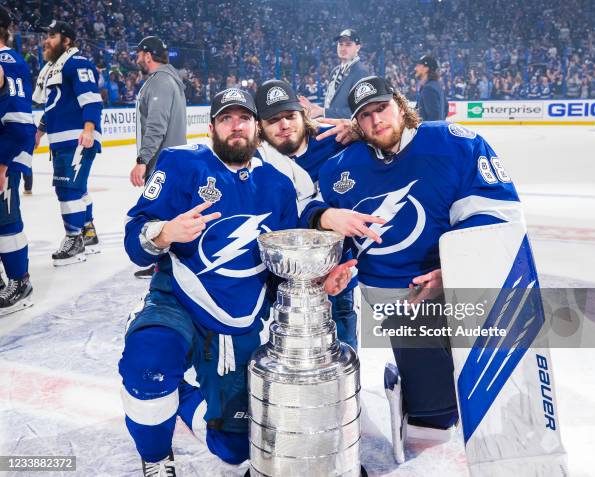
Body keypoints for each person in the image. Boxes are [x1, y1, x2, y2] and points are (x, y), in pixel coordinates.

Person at [120, 88, 354, 475]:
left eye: (243, 118)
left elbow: (282, 266)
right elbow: (135, 240)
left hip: (241, 321)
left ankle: (177, 395)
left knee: (235, 449)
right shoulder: (180, 164)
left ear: (256, 129)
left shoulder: (278, 184)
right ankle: (157, 457)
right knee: (149, 364)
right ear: (211, 127)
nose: (235, 127)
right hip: (178, 300)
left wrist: (320, 282)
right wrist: (164, 233)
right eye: (226, 119)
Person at [304, 76, 524, 452]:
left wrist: (454, 270)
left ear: (400, 105)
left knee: (473, 384)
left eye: (382, 109)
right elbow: (309, 209)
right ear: (356, 123)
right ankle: (423, 402)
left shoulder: (455, 144)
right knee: (434, 420)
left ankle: (411, 386)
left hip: (456, 283)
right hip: (393, 294)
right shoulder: (340, 167)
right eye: (365, 115)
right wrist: (327, 225)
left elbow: (497, 215)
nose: (376, 121)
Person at [255, 79, 380, 350]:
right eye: (274, 120)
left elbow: (390, 146)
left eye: (290, 115)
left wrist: (360, 130)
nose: (285, 124)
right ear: (260, 128)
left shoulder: (334, 139)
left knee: (342, 351)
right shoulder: (255, 159)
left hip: (338, 272)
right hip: (285, 277)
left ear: (302, 113)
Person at [33, 20, 103, 265]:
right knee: (78, 188)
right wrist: (40, 132)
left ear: (67, 40)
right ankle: (88, 233)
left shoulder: (77, 63)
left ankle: (74, 240)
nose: (46, 40)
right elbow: (53, 107)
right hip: (62, 140)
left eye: (52, 36)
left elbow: (92, 100)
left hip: (77, 138)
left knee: (68, 189)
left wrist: (89, 128)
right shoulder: (54, 69)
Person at [129, 35, 187, 279]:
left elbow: (156, 125)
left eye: (139, 54)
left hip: (163, 163)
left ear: (148, 55)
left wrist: (142, 160)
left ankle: (165, 265)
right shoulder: (162, 79)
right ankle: (159, 262)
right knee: (162, 215)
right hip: (167, 162)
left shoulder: (161, 81)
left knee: (160, 215)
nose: (137, 59)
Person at [0, 6, 35, 313]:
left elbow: (20, 121)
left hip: (4, 157)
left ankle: (19, 279)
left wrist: (3, 164)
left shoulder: (7, 61)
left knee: (6, 219)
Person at [299, 28, 369, 119]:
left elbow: (360, 111)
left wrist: (323, 111)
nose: (343, 48)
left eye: (348, 44)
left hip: (348, 131)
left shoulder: (360, 72)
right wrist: (313, 107)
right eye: (340, 44)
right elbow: (333, 104)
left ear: (358, 47)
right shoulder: (335, 71)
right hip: (333, 127)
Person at [414, 55, 448, 121]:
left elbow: (434, 117)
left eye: (418, 66)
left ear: (426, 68)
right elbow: (446, 109)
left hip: (430, 131)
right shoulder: (436, 86)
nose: (415, 68)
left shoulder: (429, 89)